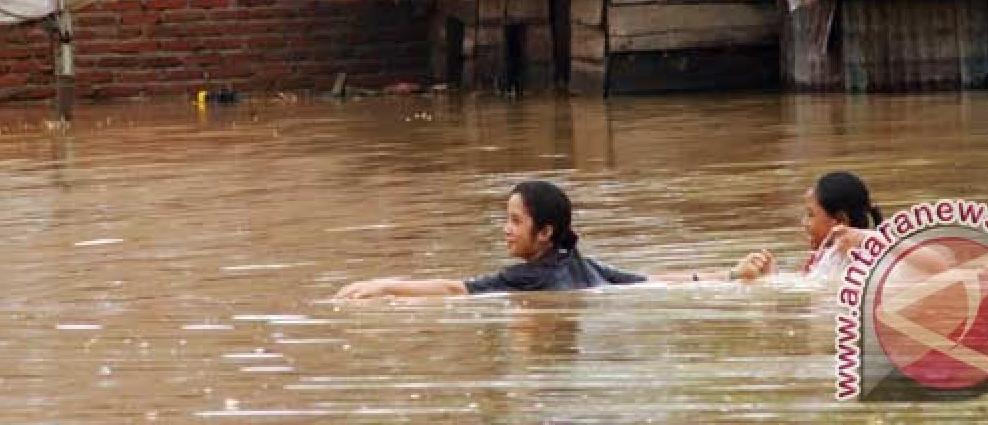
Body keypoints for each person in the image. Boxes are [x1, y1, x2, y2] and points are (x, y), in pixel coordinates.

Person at [333, 180, 771, 299]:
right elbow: (652, 281)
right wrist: (729, 274)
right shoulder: (582, 264)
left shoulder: (528, 278)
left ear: (544, 233)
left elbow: (455, 289)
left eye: (514, 221)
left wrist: (386, 285)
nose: (505, 230)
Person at [738, 170, 882, 282]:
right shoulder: (827, 261)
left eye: (810, 214)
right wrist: (770, 277)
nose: (804, 223)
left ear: (840, 221)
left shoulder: (867, 263)